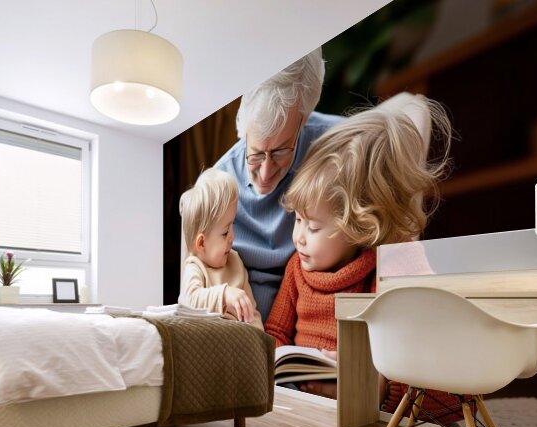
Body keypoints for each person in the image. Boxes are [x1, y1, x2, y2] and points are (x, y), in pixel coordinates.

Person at [264, 95, 451, 397]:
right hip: (299, 396)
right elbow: (276, 332)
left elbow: (425, 351)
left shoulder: (390, 263)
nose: (298, 236)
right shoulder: (297, 266)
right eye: (297, 220)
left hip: (365, 398)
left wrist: (371, 387)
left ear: (359, 227)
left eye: (313, 227)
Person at [214, 48, 343, 318]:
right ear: (243, 128)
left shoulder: (339, 146)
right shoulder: (217, 185)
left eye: (282, 151)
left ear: (304, 119)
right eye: (256, 153)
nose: (265, 173)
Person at [178, 168, 263, 328]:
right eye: (225, 232)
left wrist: (261, 341)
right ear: (202, 243)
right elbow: (189, 300)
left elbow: (252, 313)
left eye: (233, 225)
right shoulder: (195, 267)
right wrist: (224, 295)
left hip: (240, 342)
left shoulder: (235, 262)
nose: (233, 236)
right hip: (210, 343)